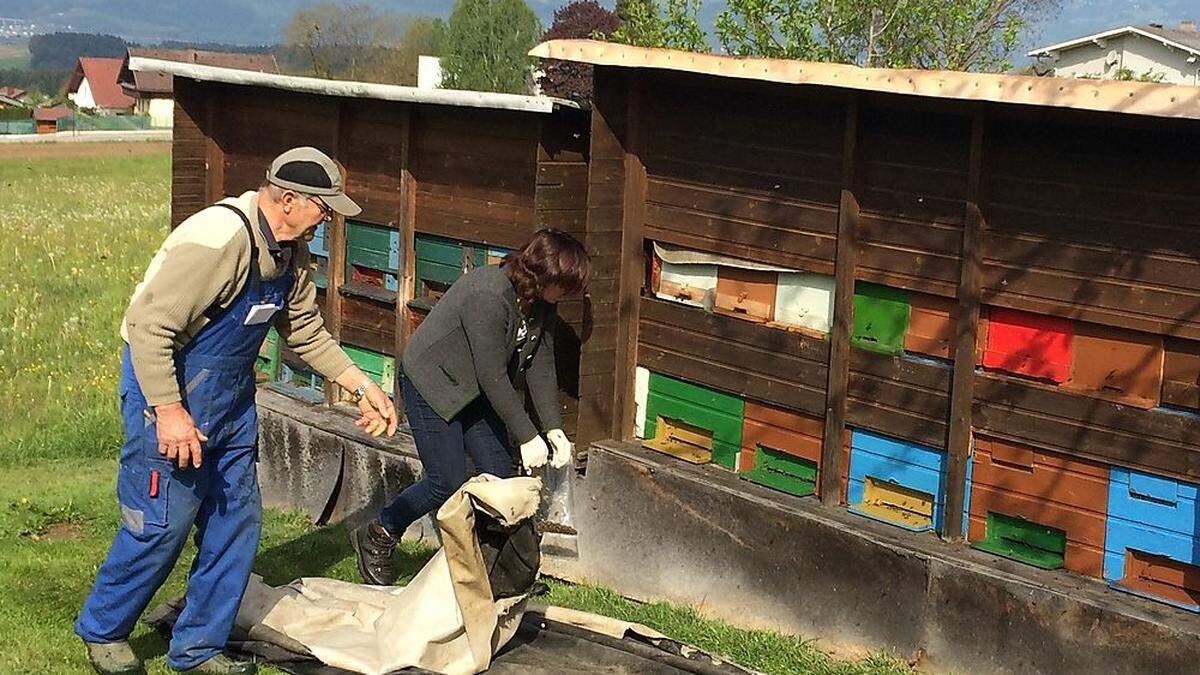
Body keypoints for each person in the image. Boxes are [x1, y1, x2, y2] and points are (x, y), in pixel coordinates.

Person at [75, 147, 399, 675]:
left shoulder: (292, 253)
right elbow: (148, 327)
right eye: (324, 208)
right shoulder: (219, 240)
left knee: (235, 524)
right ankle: (104, 629)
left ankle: (199, 647)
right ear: (289, 199)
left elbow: (305, 333)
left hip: (229, 404)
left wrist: (362, 387)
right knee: (160, 523)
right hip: (167, 391)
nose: (328, 219)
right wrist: (170, 412)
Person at [351, 228, 590, 585]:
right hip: (434, 382)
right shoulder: (488, 294)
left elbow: (540, 361)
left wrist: (553, 428)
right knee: (446, 480)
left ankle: (501, 570)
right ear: (545, 275)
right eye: (567, 285)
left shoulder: (541, 302)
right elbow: (492, 374)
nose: (570, 294)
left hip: (476, 388)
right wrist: (526, 434)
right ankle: (379, 533)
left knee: (502, 478)